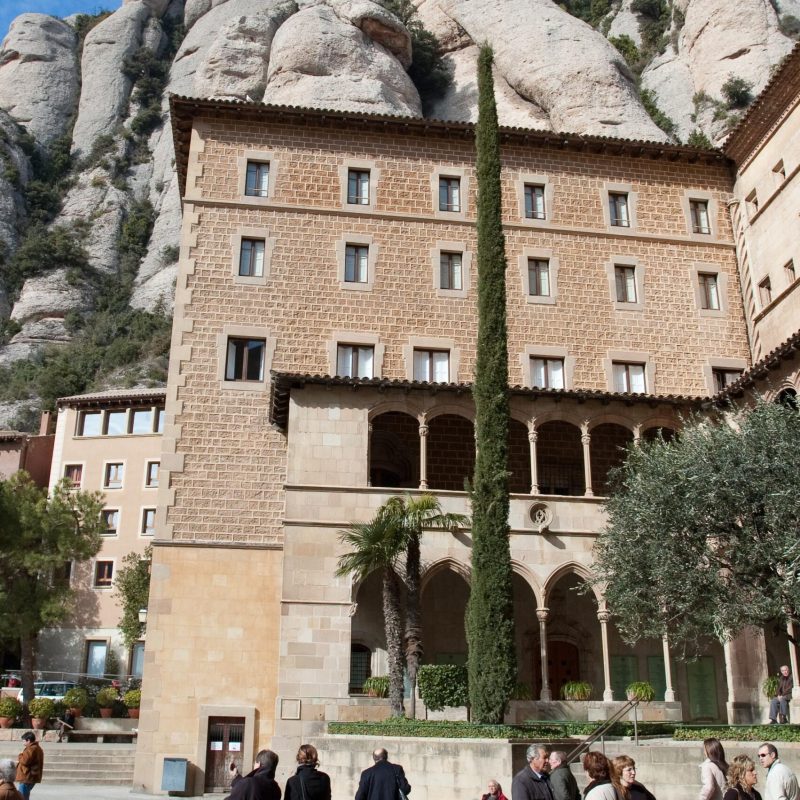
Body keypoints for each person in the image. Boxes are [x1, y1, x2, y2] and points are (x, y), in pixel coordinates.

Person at [15, 733, 43, 800]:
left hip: (27, 777)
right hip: (30, 776)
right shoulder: (37, 748)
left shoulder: (31, 749)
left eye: (24, 741)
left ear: (28, 740)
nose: (23, 742)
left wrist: (20, 755)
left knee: (22, 796)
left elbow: (25, 761)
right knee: (25, 796)